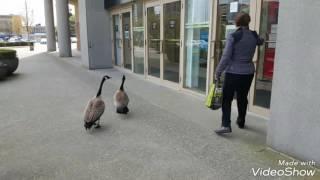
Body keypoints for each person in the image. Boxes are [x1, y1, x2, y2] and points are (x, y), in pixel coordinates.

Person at [214, 12, 264, 134]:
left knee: (227, 99)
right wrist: (264, 36)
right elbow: (260, 41)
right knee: (242, 97)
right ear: (248, 22)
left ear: (237, 22)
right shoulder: (253, 35)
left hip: (233, 72)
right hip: (248, 72)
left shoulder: (234, 36)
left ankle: (226, 125)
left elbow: (226, 56)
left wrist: (218, 71)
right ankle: (241, 121)